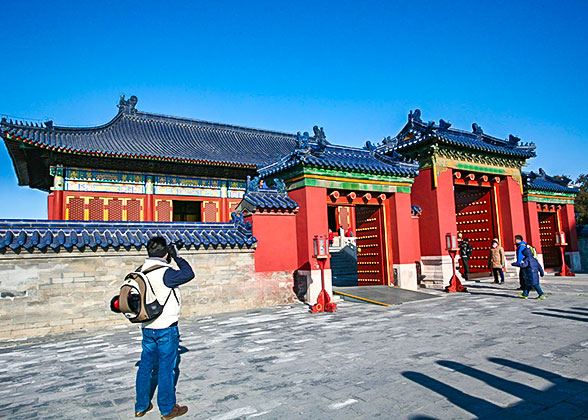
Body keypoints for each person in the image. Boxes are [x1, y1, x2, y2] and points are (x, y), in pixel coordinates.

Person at [134, 236, 194, 419]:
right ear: (166, 253)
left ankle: (141, 406)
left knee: (145, 367)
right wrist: (177, 257)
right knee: (167, 368)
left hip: (147, 327)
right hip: (166, 328)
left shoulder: (140, 271)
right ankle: (168, 409)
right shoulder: (166, 273)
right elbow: (189, 273)